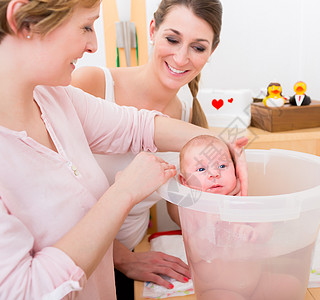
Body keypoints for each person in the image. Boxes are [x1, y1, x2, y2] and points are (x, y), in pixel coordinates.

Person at [0, 0, 247, 299]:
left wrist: (221, 151)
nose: (93, 45)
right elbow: (24, 290)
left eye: (198, 47)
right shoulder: (76, 87)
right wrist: (123, 193)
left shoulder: (56, 99)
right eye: (86, 26)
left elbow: (138, 127)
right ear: (23, 22)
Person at [70, 0, 223, 297]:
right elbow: (56, 204)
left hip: (135, 251)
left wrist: (219, 206)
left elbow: (178, 204)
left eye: (198, 47)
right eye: (172, 39)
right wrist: (122, 259)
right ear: (153, 30)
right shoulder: (91, 86)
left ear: (211, 52)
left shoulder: (187, 111)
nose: (181, 58)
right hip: (83, 261)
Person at [178, 135, 300, 300]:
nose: (214, 174)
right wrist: (213, 226)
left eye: (222, 165)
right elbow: (198, 251)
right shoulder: (193, 213)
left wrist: (256, 234)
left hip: (257, 282)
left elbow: (266, 228)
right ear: (184, 182)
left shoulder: (242, 201)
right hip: (219, 289)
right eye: (201, 169)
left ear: (236, 170)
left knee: (291, 285)